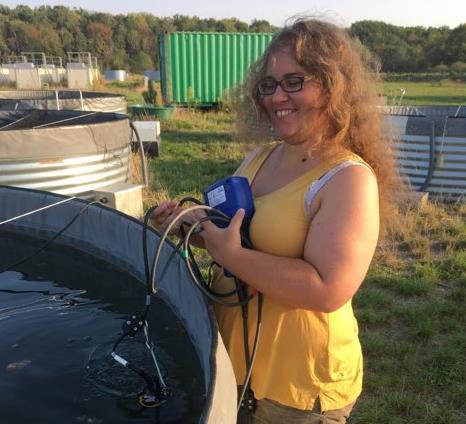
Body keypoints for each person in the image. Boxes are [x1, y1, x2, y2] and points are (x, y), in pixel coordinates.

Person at [152, 17, 400, 423]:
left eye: (294, 81)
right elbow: (234, 233)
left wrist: (231, 255)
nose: (276, 97)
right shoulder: (261, 156)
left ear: (331, 86)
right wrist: (186, 224)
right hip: (233, 366)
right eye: (269, 85)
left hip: (297, 391)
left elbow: (327, 289)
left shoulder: (348, 178)